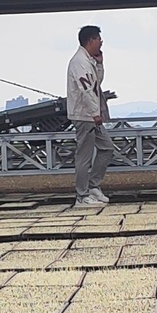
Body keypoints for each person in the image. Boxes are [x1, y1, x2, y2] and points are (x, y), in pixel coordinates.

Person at [67, 24, 116, 207]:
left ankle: (93, 186)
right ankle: (82, 196)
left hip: (90, 115)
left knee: (107, 148)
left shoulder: (88, 61)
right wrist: (95, 113)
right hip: (84, 115)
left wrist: (100, 64)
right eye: (99, 39)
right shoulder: (79, 62)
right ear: (91, 40)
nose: (101, 42)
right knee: (84, 156)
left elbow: (96, 84)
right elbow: (86, 89)